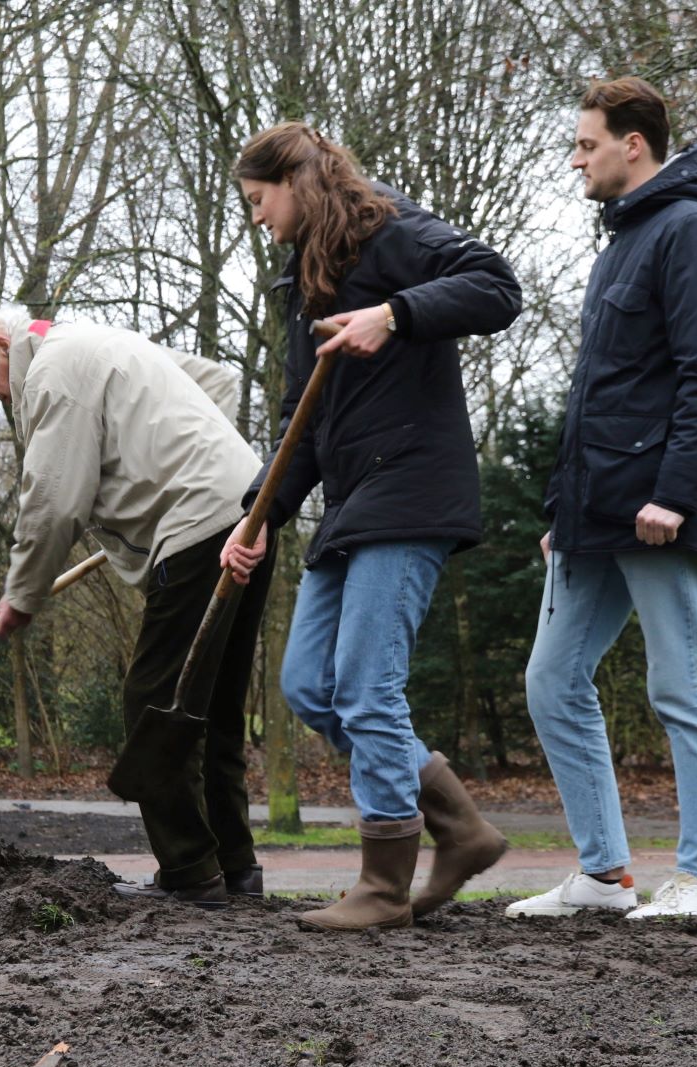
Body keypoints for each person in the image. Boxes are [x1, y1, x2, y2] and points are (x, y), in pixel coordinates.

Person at [222, 122, 522, 931]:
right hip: (355, 499)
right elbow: (301, 422)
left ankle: (384, 884)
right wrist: (260, 517)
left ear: (294, 179)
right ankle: (459, 829)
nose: (256, 218)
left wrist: (391, 314)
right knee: (308, 685)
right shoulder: (302, 283)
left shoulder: (392, 229)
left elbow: (496, 287)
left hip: (413, 485)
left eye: (259, 200)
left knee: (364, 688)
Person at [506, 77, 697, 922]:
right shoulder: (625, 238)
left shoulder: (691, 228)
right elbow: (602, 393)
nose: (575, 159)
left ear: (631, 144)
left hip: (657, 509)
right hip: (595, 509)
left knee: (681, 684)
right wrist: (561, 512)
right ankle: (602, 875)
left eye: (584, 144)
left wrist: (674, 492)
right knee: (551, 680)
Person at [0, 308, 271, 910]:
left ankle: (190, 871)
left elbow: (53, 502)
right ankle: (236, 870)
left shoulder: (52, 373)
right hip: (250, 513)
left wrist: (22, 595)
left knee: (152, 703)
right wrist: (197, 464)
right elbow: (219, 383)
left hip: (202, 531)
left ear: (5, 344)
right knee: (213, 708)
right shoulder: (101, 342)